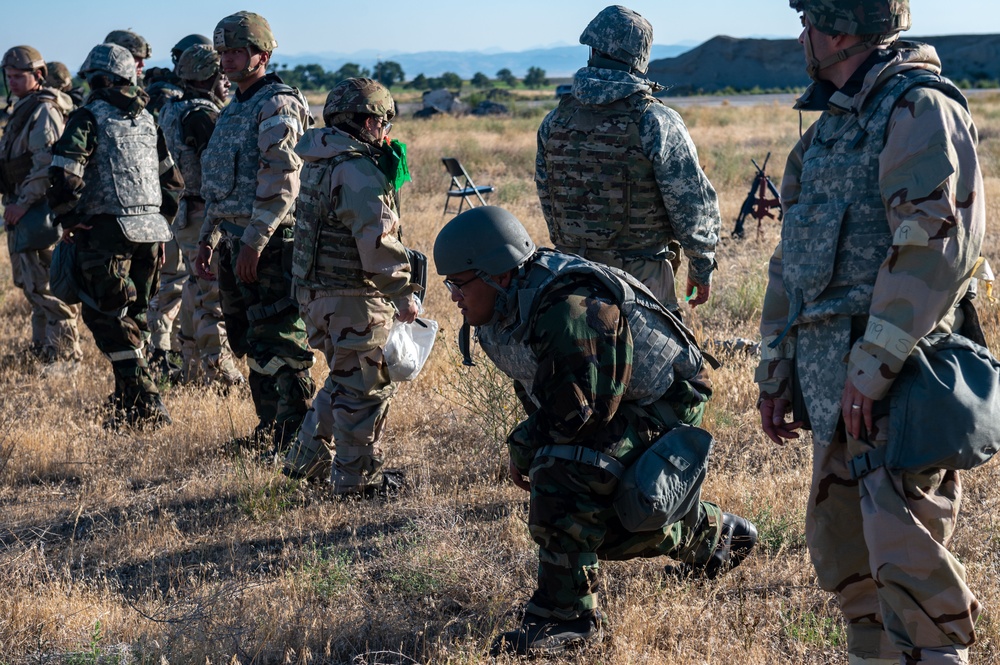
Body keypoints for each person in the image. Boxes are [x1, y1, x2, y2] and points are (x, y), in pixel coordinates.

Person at [757, 2, 985, 663]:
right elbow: (791, 264)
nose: (802, 39)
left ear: (837, 31)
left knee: (910, 562)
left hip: (901, 381)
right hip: (835, 385)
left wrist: (873, 363)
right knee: (850, 560)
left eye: (809, 25)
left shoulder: (918, 109)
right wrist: (776, 371)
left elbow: (938, 242)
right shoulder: (828, 131)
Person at [434, 206, 756, 656]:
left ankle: (564, 618)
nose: (453, 296)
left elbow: (577, 417)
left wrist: (524, 445)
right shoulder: (512, 303)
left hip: (667, 401)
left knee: (565, 470)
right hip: (617, 399)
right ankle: (714, 535)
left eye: (458, 283)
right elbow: (548, 393)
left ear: (497, 274)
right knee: (597, 506)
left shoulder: (569, 309)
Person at [281, 78, 420, 493]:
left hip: (317, 295)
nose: (385, 131)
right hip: (353, 298)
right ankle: (355, 483)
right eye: (382, 121)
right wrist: (403, 293)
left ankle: (303, 462)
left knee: (345, 380)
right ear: (366, 121)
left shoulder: (321, 158)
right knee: (365, 392)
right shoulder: (356, 168)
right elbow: (376, 244)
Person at [535, 5, 721, 310]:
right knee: (654, 358)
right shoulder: (655, 121)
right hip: (640, 281)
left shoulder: (554, 122)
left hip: (569, 278)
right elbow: (691, 205)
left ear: (592, 49)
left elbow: (548, 196)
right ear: (641, 59)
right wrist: (701, 267)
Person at [195, 11, 315, 452]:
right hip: (234, 239)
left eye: (235, 51)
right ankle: (272, 428)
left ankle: (300, 434)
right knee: (252, 340)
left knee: (282, 337)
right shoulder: (235, 107)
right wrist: (209, 237)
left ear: (261, 55)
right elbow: (217, 183)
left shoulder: (277, 103)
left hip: (270, 243)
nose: (226, 60)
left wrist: (253, 242)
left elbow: (282, 181)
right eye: (222, 52)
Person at [47, 42, 182, 429]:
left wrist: (69, 218)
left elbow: (64, 173)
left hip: (104, 234)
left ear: (100, 79)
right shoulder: (147, 120)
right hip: (150, 235)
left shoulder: (87, 117)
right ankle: (127, 410)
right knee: (133, 317)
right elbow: (172, 181)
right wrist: (160, 223)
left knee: (107, 319)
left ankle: (150, 403)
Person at [154, 43, 242, 388]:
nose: (227, 83)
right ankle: (220, 374)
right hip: (206, 211)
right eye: (221, 75)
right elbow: (217, 171)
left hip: (185, 210)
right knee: (213, 297)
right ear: (208, 76)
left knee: (194, 289)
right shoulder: (203, 116)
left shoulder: (173, 109)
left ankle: (190, 365)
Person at [0, 45, 82, 369]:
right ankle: (44, 348)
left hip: (34, 208)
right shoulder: (23, 107)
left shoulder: (44, 110)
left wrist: (22, 204)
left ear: (38, 75)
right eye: (8, 77)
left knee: (46, 285)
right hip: (21, 206)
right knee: (30, 283)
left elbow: (46, 165)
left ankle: (64, 355)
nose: (13, 82)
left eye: (19, 76)